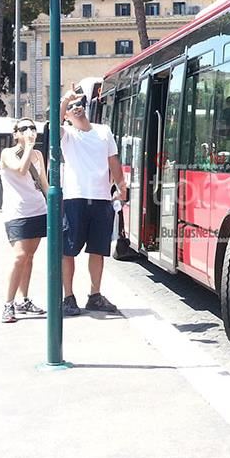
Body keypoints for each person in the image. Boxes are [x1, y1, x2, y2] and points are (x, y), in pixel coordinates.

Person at [59, 87, 128, 316]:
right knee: (68, 250)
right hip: (74, 198)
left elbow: (113, 160)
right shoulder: (67, 134)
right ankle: (68, 297)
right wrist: (63, 102)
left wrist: (121, 186)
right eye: (71, 108)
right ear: (67, 116)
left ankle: (95, 295)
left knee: (98, 249)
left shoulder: (103, 131)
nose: (75, 108)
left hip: (101, 198)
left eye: (78, 104)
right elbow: (52, 129)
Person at [0, 118, 48, 323]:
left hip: (37, 209)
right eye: (24, 128)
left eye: (33, 128)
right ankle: (8, 304)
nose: (30, 131)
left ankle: (23, 300)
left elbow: (43, 182)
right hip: (17, 213)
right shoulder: (7, 154)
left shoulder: (38, 154)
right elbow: (20, 168)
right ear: (16, 134)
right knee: (19, 257)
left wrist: (54, 205)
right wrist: (28, 146)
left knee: (29, 257)